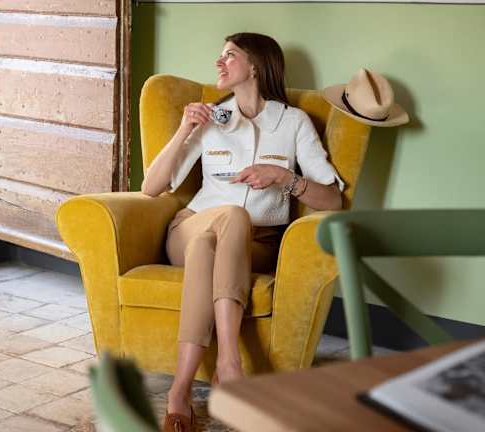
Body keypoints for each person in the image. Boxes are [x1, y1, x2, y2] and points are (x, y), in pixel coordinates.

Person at [140, 33, 345, 432]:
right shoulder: (211, 119)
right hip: (190, 226)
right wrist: (184, 129)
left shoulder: (293, 123)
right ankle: (229, 364)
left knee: (208, 247)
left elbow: (332, 199)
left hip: (257, 243)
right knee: (226, 219)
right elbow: (151, 187)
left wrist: (284, 177)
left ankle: (180, 392)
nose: (219, 63)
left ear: (255, 66)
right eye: (219, 56)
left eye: (229, 56)